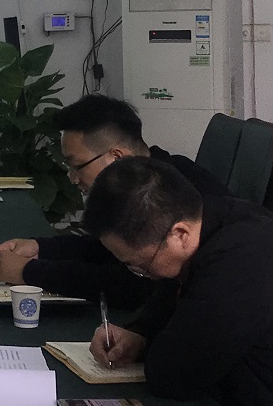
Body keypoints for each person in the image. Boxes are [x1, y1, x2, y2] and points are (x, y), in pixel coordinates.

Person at [0, 94, 229, 306]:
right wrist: (42, 248)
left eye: (77, 166)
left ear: (116, 158)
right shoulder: (154, 174)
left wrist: (29, 272)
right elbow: (107, 249)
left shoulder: (170, 193)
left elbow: (137, 285)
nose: (74, 179)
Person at [85, 157, 273, 406]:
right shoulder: (205, 224)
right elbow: (167, 299)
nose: (140, 273)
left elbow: (173, 376)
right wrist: (139, 334)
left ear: (180, 233)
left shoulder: (242, 259)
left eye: (140, 265)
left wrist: (153, 344)